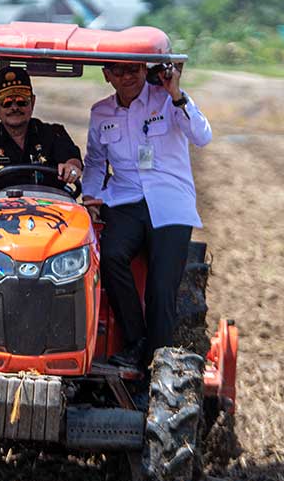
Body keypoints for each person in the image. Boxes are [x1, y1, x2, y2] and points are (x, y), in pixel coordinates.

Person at [81, 61, 212, 370]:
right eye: (118, 71)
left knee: (161, 287)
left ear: (145, 70)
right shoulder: (101, 113)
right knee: (110, 256)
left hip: (169, 202)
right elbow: (96, 161)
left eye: (134, 70)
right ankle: (137, 340)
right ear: (107, 76)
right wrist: (90, 196)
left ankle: (156, 365)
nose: (127, 77)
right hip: (125, 200)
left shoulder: (168, 99)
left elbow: (202, 135)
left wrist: (177, 93)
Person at [0, 66, 82, 211]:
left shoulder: (54, 134)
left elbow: (72, 160)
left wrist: (71, 168)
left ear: (32, 102)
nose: (14, 107)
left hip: (53, 215)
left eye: (21, 101)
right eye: (6, 102)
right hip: (3, 222)